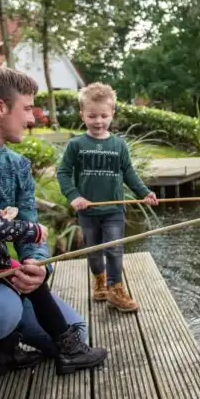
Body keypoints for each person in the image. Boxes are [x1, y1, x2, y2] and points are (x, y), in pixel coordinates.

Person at [0, 90, 107, 383]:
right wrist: (27, 229)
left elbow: (19, 224)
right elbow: (0, 227)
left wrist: (37, 265)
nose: (31, 117)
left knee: (75, 327)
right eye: (27, 108)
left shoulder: (18, 165)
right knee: (3, 310)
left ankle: (6, 351)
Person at [57, 82, 158, 313]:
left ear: (112, 114)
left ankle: (115, 288)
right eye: (92, 115)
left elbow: (129, 173)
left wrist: (144, 192)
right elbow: (63, 173)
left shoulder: (119, 145)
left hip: (114, 210)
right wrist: (74, 196)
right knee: (94, 251)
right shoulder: (76, 145)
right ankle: (99, 280)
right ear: (82, 114)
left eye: (104, 115)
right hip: (88, 212)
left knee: (114, 248)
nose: (98, 121)